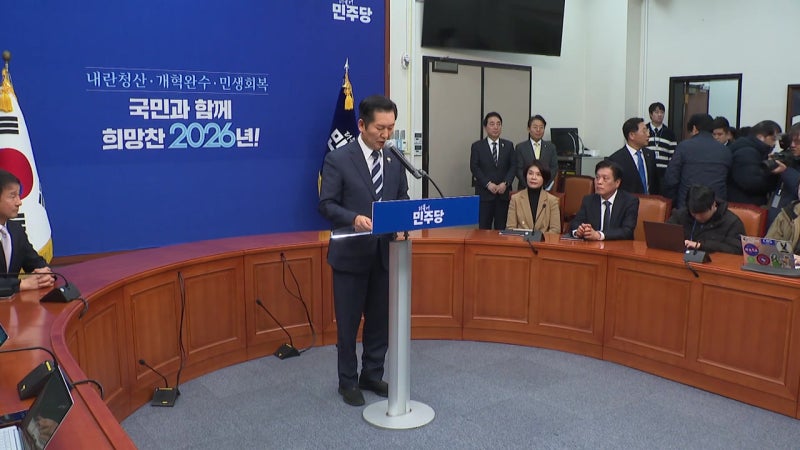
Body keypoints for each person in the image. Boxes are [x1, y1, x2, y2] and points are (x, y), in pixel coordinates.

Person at [318, 95, 409, 407]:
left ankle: (372, 374)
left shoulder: (395, 159)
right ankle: (347, 381)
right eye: (380, 128)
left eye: (391, 128)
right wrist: (353, 219)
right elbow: (326, 205)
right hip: (350, 256)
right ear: (361, 125)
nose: (386, 134)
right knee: (348, 324)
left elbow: (402, 198)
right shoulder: (339, 159)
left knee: (379, 322)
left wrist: (402, 223)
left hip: (385, 254)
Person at [0, 169, 54, 294]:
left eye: (18, 195)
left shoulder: (16, 230)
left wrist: (44, 273)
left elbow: (34, 261)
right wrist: (22, 284)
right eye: (12, 196)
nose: (19, 202)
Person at [662, 113, 731, 209]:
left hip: (687, 207)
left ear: (694, 128)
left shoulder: (684, 147)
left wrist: (673, 203)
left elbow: (671, 179)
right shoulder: (725, 151)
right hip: (715, 208)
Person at [569, 160, 639, 241]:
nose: (599, 182)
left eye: (605, 178)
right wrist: (579, 231)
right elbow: (575, 223)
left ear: (617, 182)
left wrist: (599, 235)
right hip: (593, 246)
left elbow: (627, 231)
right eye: (597, 177)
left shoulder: (629, 201)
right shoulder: (588, 200)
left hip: (619, 246)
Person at [666, 185, 745, 254]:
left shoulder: (732, 222)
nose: (698, 217)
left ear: (713, 205)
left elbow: (737, 250)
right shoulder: (681, 215)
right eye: (694, 214)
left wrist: (702, 246)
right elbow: (665, 234)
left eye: (702, 214)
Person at [470, 112, 516, 230]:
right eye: (492, 124)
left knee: (502, 229)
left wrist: (505, 183)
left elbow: (513, 166)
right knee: (484, 229)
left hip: (503, 194)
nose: (496, 127)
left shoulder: (509, 145)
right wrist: (487, 184)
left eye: (498, 124)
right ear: (485, 127)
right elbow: (474, 167)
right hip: (485, 195)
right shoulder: (477, 146)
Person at [727, 120, 783, 206]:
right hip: (744, 206)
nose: (774, 144)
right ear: (760, 137)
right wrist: (774, 176)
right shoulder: (747, 152)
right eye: (773, 139)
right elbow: (752, 183)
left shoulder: (751, 150)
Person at [607, 117, 660, 195]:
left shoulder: (650, 154)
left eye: (647, 130)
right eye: (644, 131)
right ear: (632, 135)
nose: (648, 134)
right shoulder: (616, 160)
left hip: (649, 201)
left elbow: (655, 184)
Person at [506, 161, 561, 232]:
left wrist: (539, 237)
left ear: (544, 178)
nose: (533, 177)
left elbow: (555, 230)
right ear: (526, 176)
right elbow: (510, 228)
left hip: (543, 239)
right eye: (530, 173)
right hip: (521, 238)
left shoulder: (552, 200)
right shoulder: (515, 199)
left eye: (538, 174)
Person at [766, 124, 800, 227]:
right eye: (791, 141)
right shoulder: (788, 157)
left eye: (798, 142)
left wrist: (785, 171)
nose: (792, 145)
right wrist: (771, 168)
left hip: (793, 224)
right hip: (776, 214)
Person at [515, 115, 558, 191]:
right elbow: (518, 169)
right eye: (535, 127)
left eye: (541, 127)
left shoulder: (551, 147)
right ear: (529, 129)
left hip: (545, 189)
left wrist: (544, 184)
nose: (538, 130)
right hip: (525, 189)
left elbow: (554, 168)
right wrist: (530, 184)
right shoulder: (520, 147)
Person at [645, 102, 678, 181]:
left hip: (664, 173)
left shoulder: (669, 133)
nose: (660, 115)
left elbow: (673, 155)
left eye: (662, 112)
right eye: (656, 112)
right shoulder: (644, 130)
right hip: (647, 170)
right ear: (650, 114)